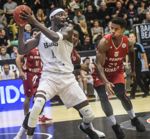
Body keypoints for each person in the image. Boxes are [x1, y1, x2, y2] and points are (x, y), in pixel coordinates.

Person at [14, 8, 105, 139]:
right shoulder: (40, 36)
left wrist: (34, 22)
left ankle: (86, 127)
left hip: (67, 79)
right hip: (49, 77)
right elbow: (22, 49)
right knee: (37, 104)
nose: (64, 17)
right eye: (60, 15)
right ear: (52, 18)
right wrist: (22, 28)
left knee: (89, 115)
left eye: (65, 15)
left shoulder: (68, 30)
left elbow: (55, 37)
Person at [93, 17, 146, 139]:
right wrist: (106, 82)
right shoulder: (104, 42)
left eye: (115, 29)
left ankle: (134, 119)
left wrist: (133, 70)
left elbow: (132, 53)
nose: (112, 31)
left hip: (116, 71)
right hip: (100, 73)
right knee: (103, 98)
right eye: (111, 28)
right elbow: (98, 65)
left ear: (122, 30)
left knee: (121, 94)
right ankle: (115, 126)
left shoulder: (127, 42)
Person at [129, 32, 149, 98]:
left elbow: (144, 54)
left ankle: (132, 94)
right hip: (132, 65)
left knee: (136, 78)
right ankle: (146, 92)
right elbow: (127, 55)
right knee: (137, 79)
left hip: (138, 64)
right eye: (130, 37)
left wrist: (146, 64)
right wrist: (126, 63)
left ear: (135, 38)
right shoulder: (128, 45)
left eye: (132, 37)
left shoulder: (138, 45)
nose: (131, 38)